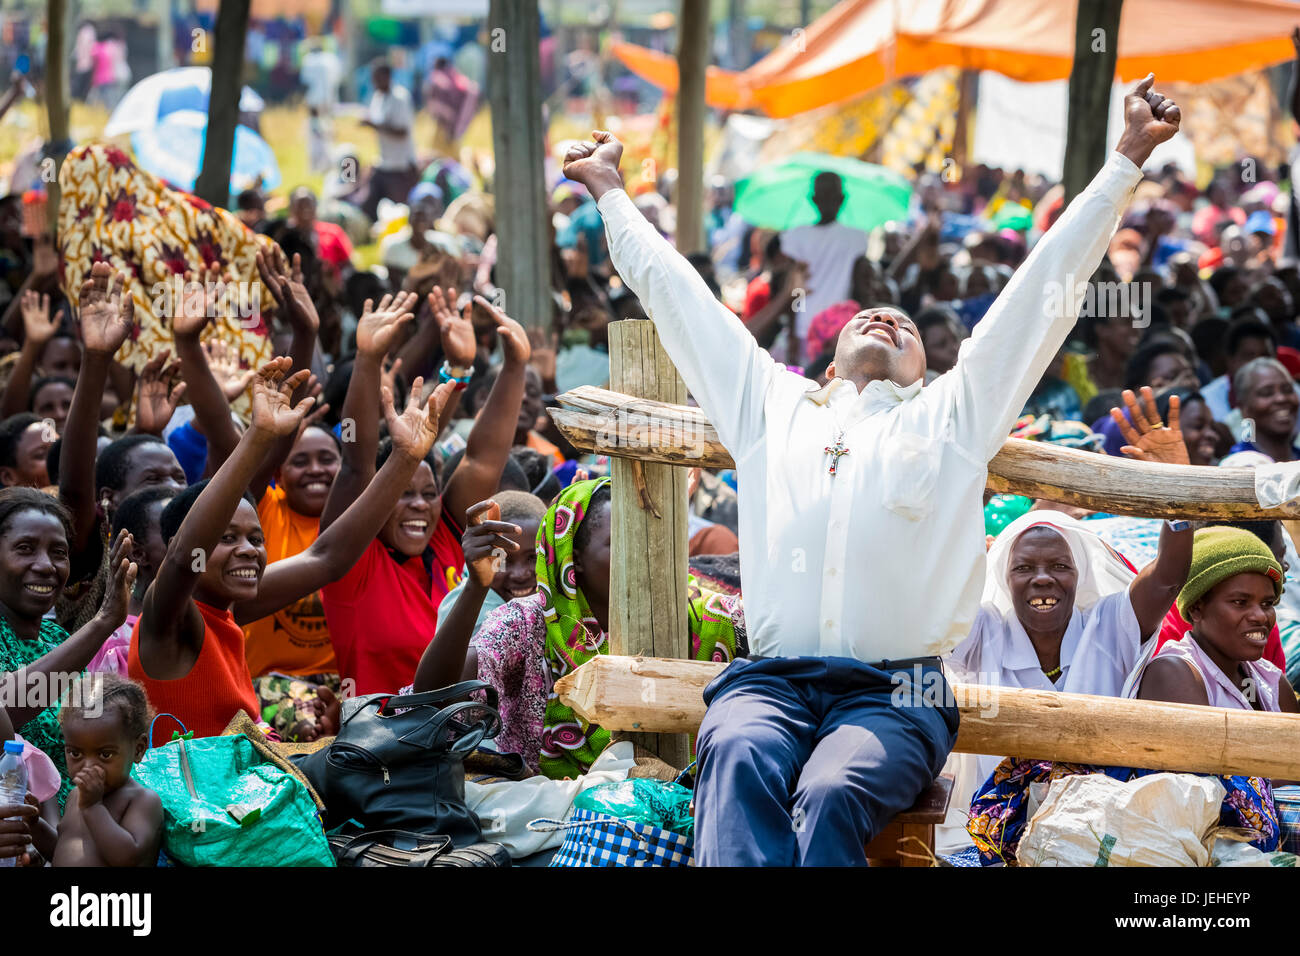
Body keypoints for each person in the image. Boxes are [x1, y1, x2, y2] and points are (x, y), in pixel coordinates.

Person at [560, 72, 1179, 865]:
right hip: (772, 681)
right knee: (740, 757)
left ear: (926, 367)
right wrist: (611, 188)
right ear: (827, 357)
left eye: (908, 328)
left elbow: (1040, 298)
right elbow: (678, 296)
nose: (887, 319)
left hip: (899, 689)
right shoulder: (767, 403)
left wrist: (1125, 157)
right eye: (869, 316)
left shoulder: (952, 415)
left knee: (829, 792)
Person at [128, 359, 454, 737]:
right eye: (227, 538)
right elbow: (186, 556)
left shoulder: (229, 608)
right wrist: (258, 437)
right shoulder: (166, 618)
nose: (249, 550)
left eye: (256, 538)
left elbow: (327, 557)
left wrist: (405, 459)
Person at [410, 477, 743, 777]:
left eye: (650, 538)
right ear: (575, 556)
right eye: (622, 542)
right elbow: (433, 699)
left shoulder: (705, 615)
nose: (644, 553)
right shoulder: (527, 624)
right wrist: (476, 587)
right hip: (549, 828)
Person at [318, 291, 528, 696]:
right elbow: (356, 462)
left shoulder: (450, 541)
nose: (419, 505)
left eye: (429, 493)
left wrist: (515, 366)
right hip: (376, 746)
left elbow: (483, 459)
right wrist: (367, 360)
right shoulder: (352, 562)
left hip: (459, 744)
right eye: (403, 494)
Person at [0, 488, 136, 806]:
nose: (46, 565)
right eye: (25, 549)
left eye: (59, 553)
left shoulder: (58, 638)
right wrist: (103, 621)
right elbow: (5, 709)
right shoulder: (78, 642)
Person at [45, 674, 163, 867]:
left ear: (139, 749)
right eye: (75, 753)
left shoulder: (142, 801)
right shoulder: (75, 797)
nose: (88, 766)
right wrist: (34, 826)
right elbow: (62, 849)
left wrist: (93, 808)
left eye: (105, 755)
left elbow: (127, 858)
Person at [779, 173, 870, 352]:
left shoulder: (797, 237)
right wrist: (793, 330)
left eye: (831, 195)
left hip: (828, 326)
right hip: (831, 326)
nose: (828, 200)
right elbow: (796, 288)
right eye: (825, 195)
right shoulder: (856, 237)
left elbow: (796, 291)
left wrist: (794, 330)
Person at [362, 61, 418, 221]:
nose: (375, 82)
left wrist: (375, 125)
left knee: (402, 209)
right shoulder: (378, 97)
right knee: (370, 203)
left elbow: (402, 131)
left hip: (401, 165)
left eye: (378, 78)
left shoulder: (400, 97)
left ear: (387, 77)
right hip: (384, 162)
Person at [1226, 357, 1300, 462]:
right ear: (1244, 408)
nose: (1281, 398)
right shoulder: (1240, 465)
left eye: (1287, 390)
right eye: (1267, 393)